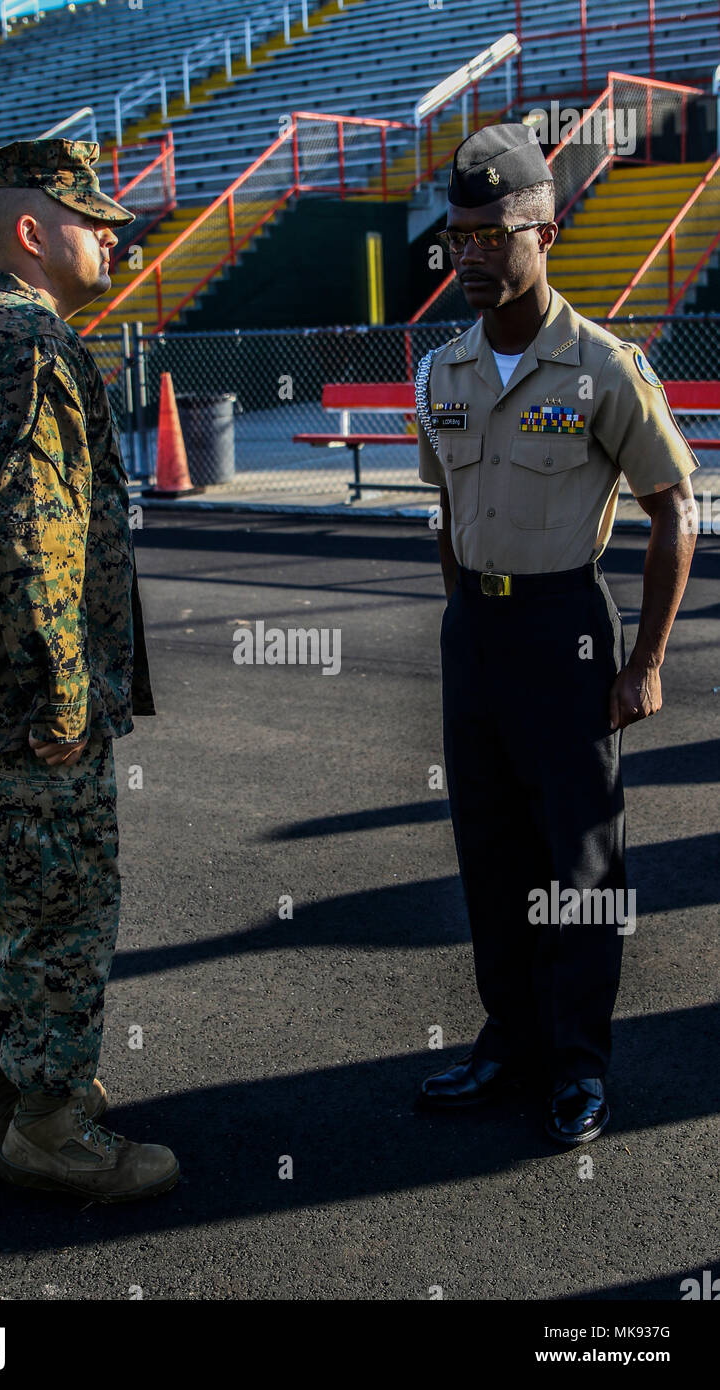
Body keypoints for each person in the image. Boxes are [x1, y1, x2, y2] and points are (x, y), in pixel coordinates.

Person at [0, 138, 179, 1201]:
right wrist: (67, 690)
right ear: (30, 231)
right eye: (90, 217)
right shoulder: (27, 345)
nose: (111, 233)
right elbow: (32, 533)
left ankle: (9, 1098)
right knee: (59, 905)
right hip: (22, 699)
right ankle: (54, 1127)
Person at [414, 124, 698, 1144]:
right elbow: (442, 510)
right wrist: (463, 615)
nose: (471, 256)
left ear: (543, 231)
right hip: (475, 635)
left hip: (563, 627)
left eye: (492, 235)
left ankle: (577, 1063)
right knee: (487, 854)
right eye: (459, 237)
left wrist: (645, 662)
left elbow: (675, 508)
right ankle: (510, 1041)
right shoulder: (441, 370)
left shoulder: (600, 366)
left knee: (576, 863)